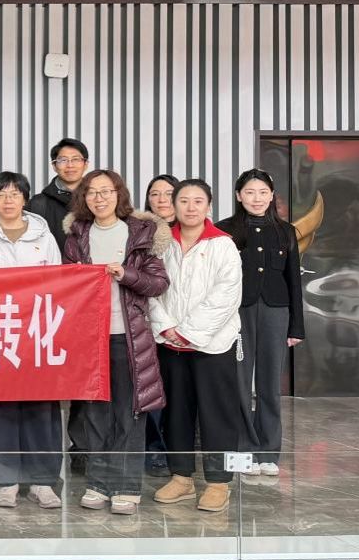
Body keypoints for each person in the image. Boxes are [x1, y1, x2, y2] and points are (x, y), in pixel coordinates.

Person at [61, 169, 169, 516]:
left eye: (106, 191)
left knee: (129, 414)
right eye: (92, 192)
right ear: (84, 198)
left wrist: (126, 274)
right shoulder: (77, 236)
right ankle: (98, 483)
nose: (100, 198)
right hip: (90, 339)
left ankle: (126, 487)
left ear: (119, 195)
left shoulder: (139, 233)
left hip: (128, 335)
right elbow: (66, 285)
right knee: (95, 415)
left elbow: (159, 283)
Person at [0, 172, 64, 510]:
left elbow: (59, 283)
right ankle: (6, 481)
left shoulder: (44, 236)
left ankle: (42, 482)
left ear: (25, 199)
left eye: (14, 194)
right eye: (1, 194)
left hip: (37, 332)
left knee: (40, 408)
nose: (8, 200)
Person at [150, 179, 244, 513]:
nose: (190, 207)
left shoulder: (223, 244)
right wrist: (166, 327)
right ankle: (181, 477)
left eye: (198, 201)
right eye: (184, 201)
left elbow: (226, 295)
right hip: (170, 344)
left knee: (217, 413)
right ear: (173, 205)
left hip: (212, 344)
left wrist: (188, 332)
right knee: (176, 412)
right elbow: (151, 289)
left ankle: (218, 482)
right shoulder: (161, 243)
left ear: (209, 206)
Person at [215, 168, 305, 477]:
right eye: (250, 192)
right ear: (238, 195)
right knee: (238, 383)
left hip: (276, 312)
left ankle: (268, 453)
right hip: (236, 313)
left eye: (263, 192)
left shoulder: (286, 231)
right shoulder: (224, 230)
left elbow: (294, 281)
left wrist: (296, 327)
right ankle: (243, 450)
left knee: (269, 385)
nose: (257, 198)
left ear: (271, 196)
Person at [141, 174, 179, 476]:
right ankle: (154, 449)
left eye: (168, 193)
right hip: (149, 322)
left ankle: (180, 448)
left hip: (187, 325)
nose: (162, 199)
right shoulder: (139, 232)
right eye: (155, 194)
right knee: (152, 390)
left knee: (180, 391)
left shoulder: (191, 231)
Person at [28, 138, 91, 252]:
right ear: (54, 165)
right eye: (63, 160)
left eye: (76, 159)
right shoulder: (38, 204)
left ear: (85, 164)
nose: (70, 165)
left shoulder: (99, 200)